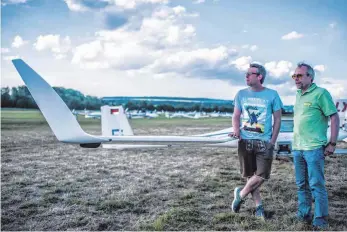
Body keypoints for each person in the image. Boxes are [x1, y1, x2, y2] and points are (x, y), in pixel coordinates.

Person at [230, 63, 283, 220]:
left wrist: (272, 142)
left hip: (264, 142)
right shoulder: (241, 94)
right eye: (246, 73)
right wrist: (236, 130)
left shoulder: (272, 94)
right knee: (250, 177)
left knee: (261, 176)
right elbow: (236, 115)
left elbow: (278, 120)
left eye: (250, 73)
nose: (246, 76)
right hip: (245, 141)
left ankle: (240, 194)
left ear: (260, 76)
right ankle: (259, 207)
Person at [292, 62, 339, 229]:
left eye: (299, 75)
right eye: (294, 76)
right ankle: (304, 214)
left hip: (313, 148)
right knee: (301, 184)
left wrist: (332, 143)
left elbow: (334, 117)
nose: (295, 79)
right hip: (298, 147)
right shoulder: (298, 94)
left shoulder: (321, 94)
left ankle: (321, 219)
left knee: (316, 184)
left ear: (310, 77)